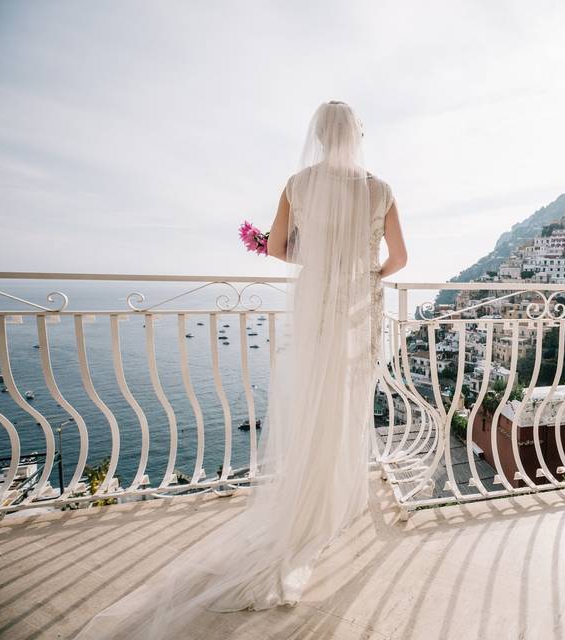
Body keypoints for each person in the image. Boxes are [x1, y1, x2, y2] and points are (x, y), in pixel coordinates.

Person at [74, 101, 407, 639]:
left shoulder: (298, 183)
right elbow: (399, 260)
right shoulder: (381, 188)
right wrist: (361, 267)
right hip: (354, 307)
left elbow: (278, 248)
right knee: (345, 397)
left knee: (307, 396)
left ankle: (301, 501)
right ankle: (334, 499)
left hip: (317, 300)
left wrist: (322, 255)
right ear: (358, 136)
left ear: (318, 137)